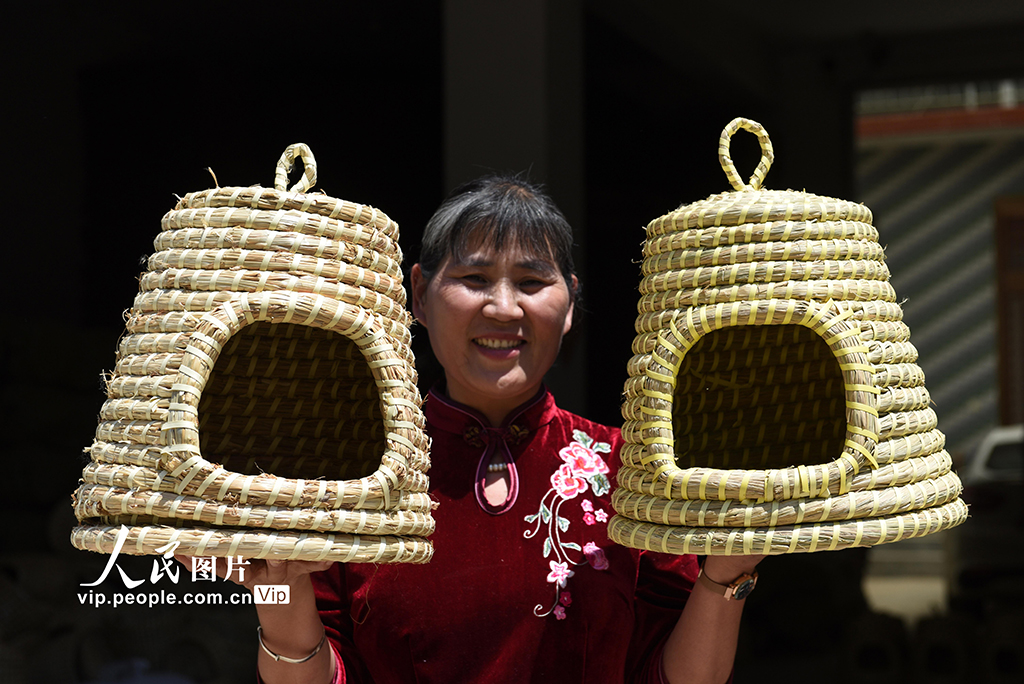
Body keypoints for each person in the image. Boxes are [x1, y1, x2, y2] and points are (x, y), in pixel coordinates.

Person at [219, 175, 762, 683]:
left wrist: (728, 571)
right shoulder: (350, 474)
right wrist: (279, 586)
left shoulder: (633, 468)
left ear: (569, 302)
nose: (504, 308)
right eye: (474, 279)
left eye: (531, 282)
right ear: (420, 295)